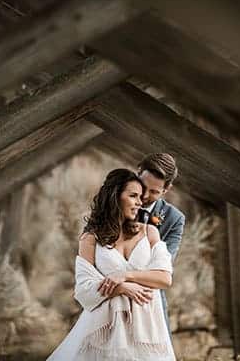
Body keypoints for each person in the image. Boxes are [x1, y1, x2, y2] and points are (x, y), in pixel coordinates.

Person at [46, 168, 176, 361]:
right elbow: (83, 291)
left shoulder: (150, 233)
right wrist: (122, 288)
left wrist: (125, 276)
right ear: (115, 196)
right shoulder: (90, 239)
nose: (140, 202)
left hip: (147, 332)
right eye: (133, 196)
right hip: (104, 332)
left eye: (140, 196)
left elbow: (164, 278)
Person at [136, 153, 185, 332]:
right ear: (137, 173)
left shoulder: (174, 219)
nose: (144, 196)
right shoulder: (112, 203)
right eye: (143, 186)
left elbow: (163, 267)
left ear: (166, 190)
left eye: (154, 192)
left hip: (149, 300)